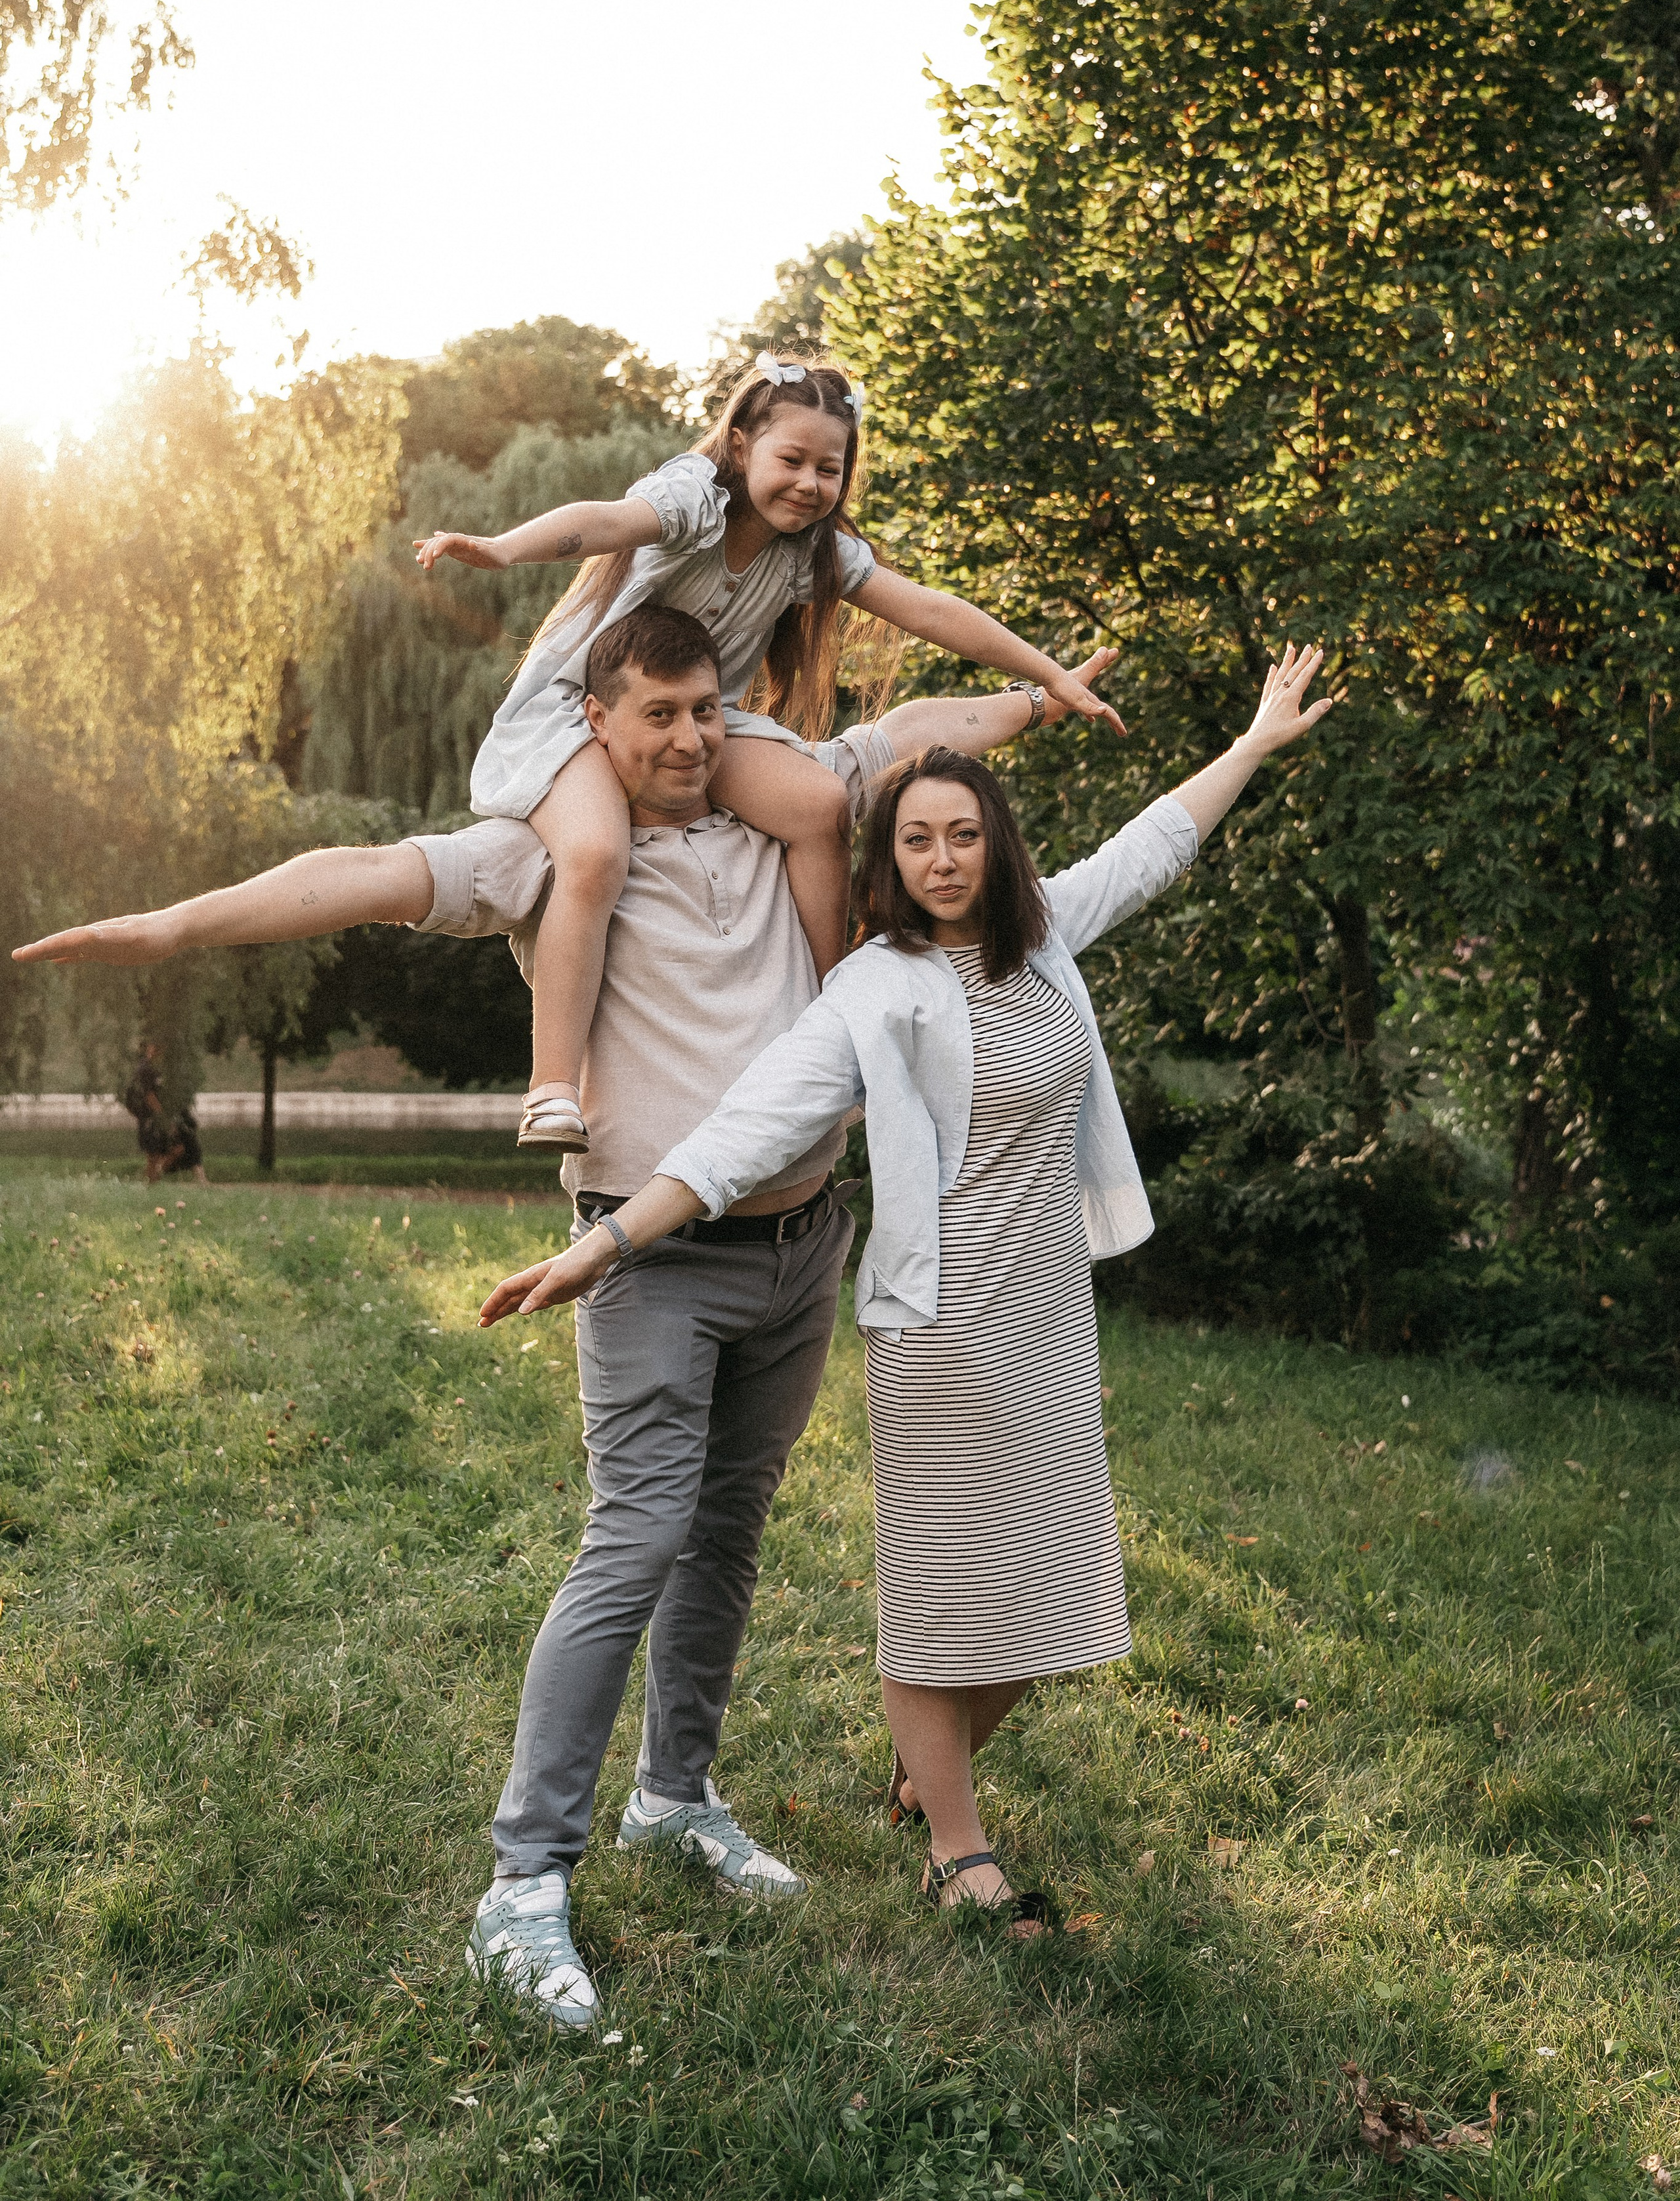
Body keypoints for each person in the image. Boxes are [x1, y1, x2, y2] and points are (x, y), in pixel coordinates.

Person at [483, 644, 1332, 1940]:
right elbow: (741, 1133)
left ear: (994, 846)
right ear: (889, 862)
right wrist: (608, 1244)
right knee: (943, 1597)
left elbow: (1157, 841)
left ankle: (918, 1772)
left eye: (962, 834)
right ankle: (953, 1844)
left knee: (1055, 1596)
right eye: (917, 839)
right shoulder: (874, 989)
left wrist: (1257, 739)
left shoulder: (1045, 946)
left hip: (1044, 1315)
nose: (942, 857)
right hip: (938, 1327)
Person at [13, 356, 1123, 1157]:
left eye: (832, 471)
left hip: (707, 721)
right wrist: (498, 548)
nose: (809, 486)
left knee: (822, 807)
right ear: (744, 445)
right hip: (567, 713)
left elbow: (930, 632)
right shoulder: (693, 501)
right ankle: (552, 1083)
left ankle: (837, 1019)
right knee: (589, 859)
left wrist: (1046, 683)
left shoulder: (812, 561)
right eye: (792, 461)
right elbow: (599, 521)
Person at [122, 1043, 207, 1186]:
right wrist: (163, 1116)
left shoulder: (164, 1069)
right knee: (155, 1154)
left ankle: (153, 1179)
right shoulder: (146, 1069)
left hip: (162, 1117)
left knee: (176, 1147)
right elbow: (150, 1096)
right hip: (151, 1118)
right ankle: (150, 1181)